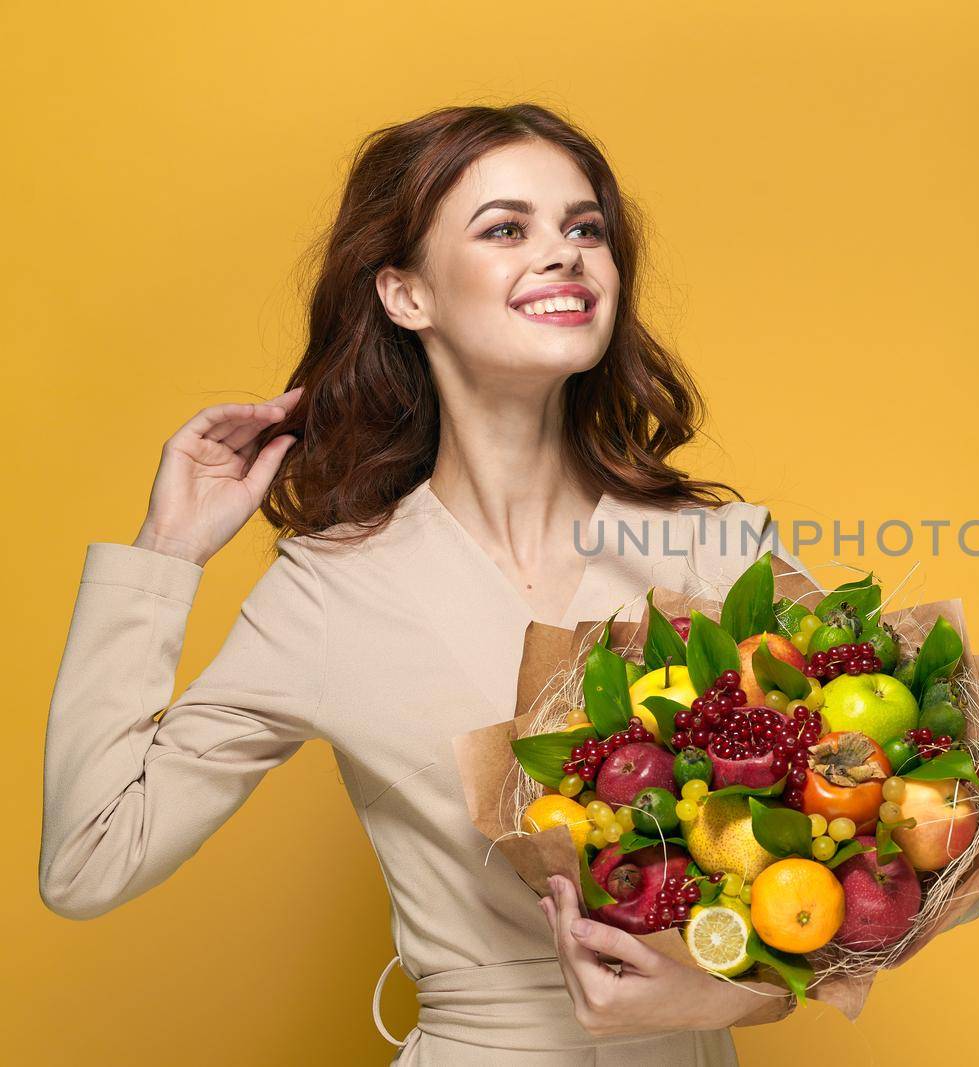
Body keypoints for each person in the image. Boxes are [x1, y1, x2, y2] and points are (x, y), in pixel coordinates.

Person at [38, 103, 811, 1064]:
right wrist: (164, 556)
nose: (565, 254)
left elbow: (953, 847)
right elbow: (86, 861)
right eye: (505, 229)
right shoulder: (330, 591)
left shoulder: (718, 554)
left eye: (584, 228)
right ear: (407, 296)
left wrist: (733, 995)